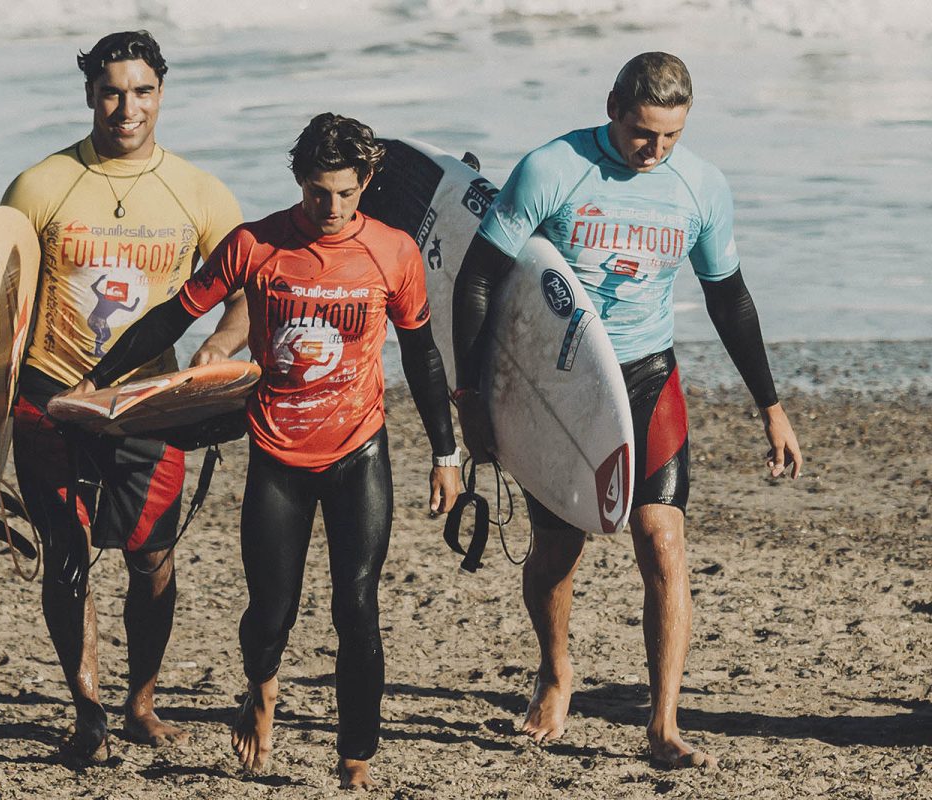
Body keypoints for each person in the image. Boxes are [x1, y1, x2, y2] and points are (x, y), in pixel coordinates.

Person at [59, 113, 464, 789]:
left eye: (344, 193)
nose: (331, 208)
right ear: (299, 180)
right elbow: (174, 315)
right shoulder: (256, 245)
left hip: (358, 449)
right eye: (317, 192)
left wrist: (445, 455)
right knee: (270, 612)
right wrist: (97, 381)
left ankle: (355, 757)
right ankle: (263, 688)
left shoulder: (392, 251)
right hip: (277, 452)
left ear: (366, 181)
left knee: (357, 606)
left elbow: (421, 355)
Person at [452, 52, 802, 769]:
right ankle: (556, 672)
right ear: (613, 106)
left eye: (671, 135)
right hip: (561, 380)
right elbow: (478, 280)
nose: (655, 149)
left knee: (661, 541)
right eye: (643, 132)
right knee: (558, 548)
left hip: (647, 375)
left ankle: (663, 723)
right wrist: (472, 397)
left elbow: (729, 299)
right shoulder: (553, 168)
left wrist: (771, 407)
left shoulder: (700, 186)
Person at [0, 30, 247, 762]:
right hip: (50, 395)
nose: (127, 107)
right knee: (66, 555)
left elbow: (248, 287)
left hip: (149, 403)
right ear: (89, 93)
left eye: (142, 91)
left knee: (152, 559)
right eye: (112, 92)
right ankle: (88, 713)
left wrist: (219, 347)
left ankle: (140, 702)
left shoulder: (198, 191)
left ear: (161, 93)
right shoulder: (40, 185)